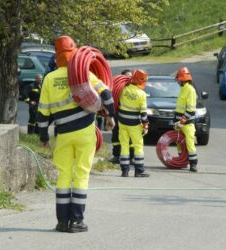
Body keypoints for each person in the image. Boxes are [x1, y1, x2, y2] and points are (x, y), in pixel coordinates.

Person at [37, 35, 115, 233]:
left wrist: (44, 137)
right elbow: (106, 94)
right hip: (84, 133)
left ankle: (62, 222)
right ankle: (77, 221)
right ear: (75, 54)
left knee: (64, 175)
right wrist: (110, 116)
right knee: (81, 174)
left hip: (63, 134)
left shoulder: (49, 78)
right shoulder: (83, 74)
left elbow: (42, 112)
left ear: (56, 58)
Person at [118, 69, 149, 177]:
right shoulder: (142, 94)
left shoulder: (123, 89)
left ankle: (124, 171)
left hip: (122, 121)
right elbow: (143, 114)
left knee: (124, 145)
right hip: (134, 123)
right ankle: (139, 171)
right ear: (142, 81)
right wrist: (145, 125)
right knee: (138, 146)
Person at [173, 67, 198, 172]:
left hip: (187, 123)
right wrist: (175, 121)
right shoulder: (183, 89)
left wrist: (182, 121)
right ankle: (182, 161)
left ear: (183, 79)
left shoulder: (190, 90)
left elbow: (191, 109)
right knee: (179, 142)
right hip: (179, 122)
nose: (177, 81)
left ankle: (193, 164)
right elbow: (179, 108)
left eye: (179, 79)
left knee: (189, 142)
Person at [109, 69, 135, 164]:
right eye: (127, 76)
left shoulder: (134, 89)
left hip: (129, 115)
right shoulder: (117, 88)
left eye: (130, 76)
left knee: (130, 137)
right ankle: (116, 156)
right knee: (116, 135)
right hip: (117, 113)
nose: (129, 78)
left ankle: (131, 157)